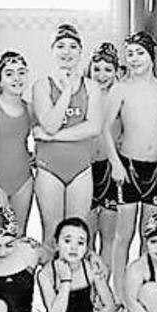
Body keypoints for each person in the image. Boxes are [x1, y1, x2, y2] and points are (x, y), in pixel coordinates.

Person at [103, 32, 157, 300]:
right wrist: (115, 164)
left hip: (156, 171)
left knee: (149, 234)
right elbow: (105, 129)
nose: (134, 59)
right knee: (124, 236)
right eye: (130, 54)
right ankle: (120, 294)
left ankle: (142, 289)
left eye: (139, 53)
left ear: (151, 56)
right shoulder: (121, 88)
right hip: (128, 168)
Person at [31, 24, 103, 245]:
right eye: (61, 46)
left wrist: (52, 137)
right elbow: (50, 123)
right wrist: (66, 93)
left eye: (73, 46)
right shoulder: (42, 85)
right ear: (52, 50)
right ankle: (49, 279)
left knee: (75, 233)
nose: (67, 51)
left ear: (81, 51)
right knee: (51, 232)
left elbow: (93, 127)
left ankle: (74, 280)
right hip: (49, 168)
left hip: (80, 168)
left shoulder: (91, 87)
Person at [37, 217, 133, 312]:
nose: (74, 248)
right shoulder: (46, 274)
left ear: (86, 248)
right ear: (56, 243)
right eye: (67, 241)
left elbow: (109, 306)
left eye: (80, 243)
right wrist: (65, 281)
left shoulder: (91, 268)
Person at [0, 50, 35, 234]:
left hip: (24, 181)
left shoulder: (30, 109)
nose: (16, 78)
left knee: (18, 235)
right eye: (9, 74)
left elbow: (41, 137)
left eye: (21, 72)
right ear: (0, 81)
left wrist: (37, 157)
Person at [87, 42, 121, 270]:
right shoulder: (82, 95)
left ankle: (105, 289)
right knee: (87, 235)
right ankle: (88, 288)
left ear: (116, 72)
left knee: (109, 237)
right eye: (97, 69)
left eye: (107, 70)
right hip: (86, 168)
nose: (101, 75)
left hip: (111, 170)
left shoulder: (120, 97)